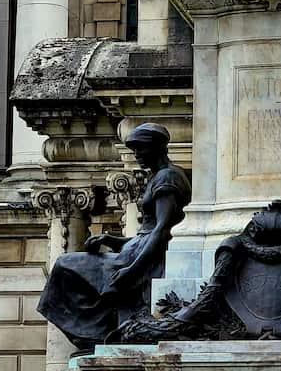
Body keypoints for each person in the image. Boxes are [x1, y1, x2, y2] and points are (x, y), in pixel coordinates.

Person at [36, 124, 190, 350]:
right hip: (136, 250)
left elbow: (162, 230)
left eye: (141, 149)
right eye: (134, 150)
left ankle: (93, 332)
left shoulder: (168, 177)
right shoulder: (158, 176)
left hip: (145, 260)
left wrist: (133, 270)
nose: (137, 155)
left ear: (157, 147)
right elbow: (148, 232)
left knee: (64, 266)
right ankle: (94, 333)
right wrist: (110, 240)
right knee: (65, 268)